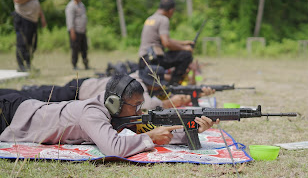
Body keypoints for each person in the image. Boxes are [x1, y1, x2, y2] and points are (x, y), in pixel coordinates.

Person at [0, 75, 217, 157]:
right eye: (135, 106)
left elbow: (160, 135)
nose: (140, 112)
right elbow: (114, 148)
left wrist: (191, 129)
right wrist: (150, 138)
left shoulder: (120, 115)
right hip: (12, 114)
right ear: (115, 103)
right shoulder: (92, 113)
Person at [0, 67, 214, 109]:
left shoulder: (133, 77)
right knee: (35, 98)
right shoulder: (140, 93)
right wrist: (176, 102)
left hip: (82, 85)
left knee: (44, 92)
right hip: (78, 92)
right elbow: (154, 103)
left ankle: (27, 88)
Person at [138, 0, 194, 85]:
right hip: (153, 60)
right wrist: (185, 48)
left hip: (143, 59)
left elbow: (165, 39)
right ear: (171, 10)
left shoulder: (151, 18)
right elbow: (166, 43)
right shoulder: (163, 19)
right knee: (186, 55)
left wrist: (183, 43)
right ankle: (174, 84)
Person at [11, 0, 47, 72]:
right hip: (23, 18)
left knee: (32, 44)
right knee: (22, 43)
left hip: (33, 20)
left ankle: (28, 64)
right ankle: (20, 65)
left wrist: (42, 16)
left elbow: (36, 2)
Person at [65, 0, 89, 70]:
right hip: (75, 31)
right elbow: (70, 20)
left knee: (84, 48)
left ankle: (86, 64)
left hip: (82, 31)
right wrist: (72, 31)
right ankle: (74, 65)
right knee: (75, 48)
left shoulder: (81, 5)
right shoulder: (71, 6)